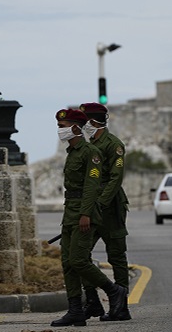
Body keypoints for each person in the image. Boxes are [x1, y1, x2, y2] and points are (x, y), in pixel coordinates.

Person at [51, 108, 128, 327]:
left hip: (103, 209)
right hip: (74, 210)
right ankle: (85, 304)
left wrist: (91, 210)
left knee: (112, 255)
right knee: (70, 261)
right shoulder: (73, 152)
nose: (59, 131)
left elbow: (109, 180)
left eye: (62, 127)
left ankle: (118, 299)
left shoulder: (102, 148)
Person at [79, 102, 131, 321]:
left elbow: (115, 179)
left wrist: (99, 204)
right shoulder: (89, 144)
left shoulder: (113, 144)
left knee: (117, 256)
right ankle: (92, 301)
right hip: (91, 206)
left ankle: (121, 306)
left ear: (92, 122)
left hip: (109, 208)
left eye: (84, 122)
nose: (82, 126)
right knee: (80, 254)